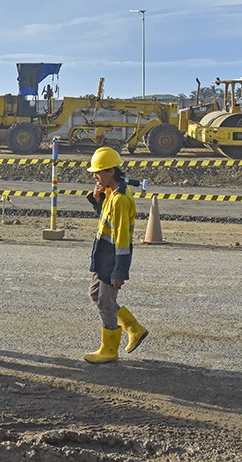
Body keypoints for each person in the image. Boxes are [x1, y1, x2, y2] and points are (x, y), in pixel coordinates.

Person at [84, 147, 149, 363]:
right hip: (103, 255)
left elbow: (121, 239)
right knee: (96, 294)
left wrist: (119, 271)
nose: (95, 176)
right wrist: (97, 200)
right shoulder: (111, 192)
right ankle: (134, 328)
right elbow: (106, 221)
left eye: (98, 172)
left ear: (111, 172)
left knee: (105, 301)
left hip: (112, 259)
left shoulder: (121, 199)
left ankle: (109, 350)